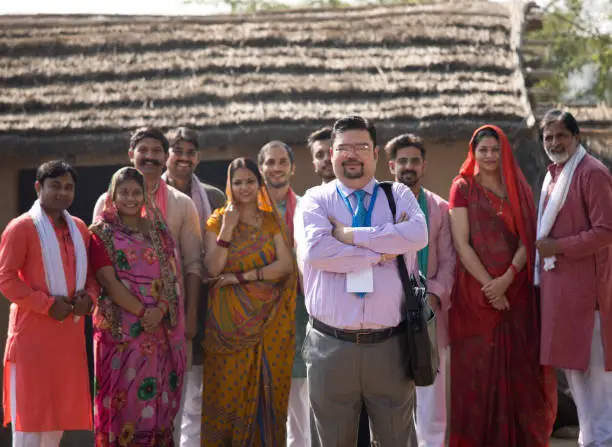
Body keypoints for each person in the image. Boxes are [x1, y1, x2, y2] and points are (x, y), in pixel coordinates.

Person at [298, 115, 428, 446]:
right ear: (331, 154)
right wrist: (382, 251)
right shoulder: (315, 199)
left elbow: (417, 234)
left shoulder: (397, 194)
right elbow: (317, 251)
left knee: (396, 439)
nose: (352, 154)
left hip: (390, 347)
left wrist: (349, 235)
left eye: (361, 147)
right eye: (344, 148)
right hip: (331, 347)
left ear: (375, 153)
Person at [448, 125, 556, 446]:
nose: (490, 155)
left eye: (495, 149)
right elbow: (461, 244)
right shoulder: (462, 187)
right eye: (483, 150)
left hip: (517, 293)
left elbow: (529, 237)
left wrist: (507, 279)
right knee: (477, 376)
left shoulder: (517, 187)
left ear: (503, 151)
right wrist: (490, 288)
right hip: (477, 299)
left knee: (522, 374)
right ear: (473, 152)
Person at [201, 157, 297, 445]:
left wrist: (240, 278)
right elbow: (213, 268)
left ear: (259, 184)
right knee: (225, 396)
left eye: (250, 181)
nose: (244, 187)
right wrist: (228, 229)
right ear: (229, 185)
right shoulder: (217, 220)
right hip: (227, 327)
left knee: (267, 401)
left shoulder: (270, 222)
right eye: (237, 181)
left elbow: (285, 266)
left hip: (270, 324)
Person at [0, 160, 97, 447]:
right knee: (29, 426)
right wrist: (45, 304)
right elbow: (5, 279)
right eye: (55, 185)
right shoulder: (21, 228)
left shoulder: (79, 229)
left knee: (56, 425)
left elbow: (91, 276)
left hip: (68, 341)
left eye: (68, 187)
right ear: (38, 187)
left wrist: (88, 300)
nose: (62, 192)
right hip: (33, 340)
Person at [89, 167, 186, 445]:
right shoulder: (101, 233)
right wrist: (145, 313)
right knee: (126, 405)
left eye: (136, 192)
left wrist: (162, 310)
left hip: (157, 334)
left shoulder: (159, 232)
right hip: (121, 336)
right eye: (124, 192)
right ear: (113, 195)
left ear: (145, 195)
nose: (130, 198)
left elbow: (172, 276)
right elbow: (108, 281)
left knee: (157, 405)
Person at [92, 127, 202, 364]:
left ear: (165, 158)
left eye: (156, 151)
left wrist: (190, 314)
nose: (150, 156)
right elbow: (99, 263)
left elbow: (192, 264)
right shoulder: (107, 203)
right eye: (143, 150)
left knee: (169, 391)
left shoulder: (182, 204)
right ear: (131, 154)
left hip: (168, 314)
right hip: (120, 317)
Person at [536, 109, 612, 446]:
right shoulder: (553, 177)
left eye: (560, 136)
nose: (554, 142)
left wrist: (557, 247)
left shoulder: (592, 173)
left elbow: (605, 231)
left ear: (576, 137)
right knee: (576, 376)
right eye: (548, 137)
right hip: (562, 296)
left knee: (598, 380)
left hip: (590, 296)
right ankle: (590, 439)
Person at [385, 133, 455, 447]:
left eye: (415, 160)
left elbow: (449, 260)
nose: (408, 166)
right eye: (402, 161)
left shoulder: (439, 208)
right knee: (390, 395)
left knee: (432, 399)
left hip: (428, 314)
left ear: (424, 165)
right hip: (385, 313)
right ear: (391, 166)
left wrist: (432, 293)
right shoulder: (378, 205)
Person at [162, 127, 225, 447]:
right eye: (178, 151)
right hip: (157, 301)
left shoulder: (214, 198)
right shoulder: (146, 192)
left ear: (198, 157)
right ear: (165, 155)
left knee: (197, 390)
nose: (184, 158)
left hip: (205, 302)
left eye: (190, 152)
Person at [257, 141, 309, 446]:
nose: (276, 168)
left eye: (282, 162)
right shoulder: (249, 211)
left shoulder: (305, 208)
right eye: (269, 162)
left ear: (292, 167)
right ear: (261, 167)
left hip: (298, 309)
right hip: (256, 310)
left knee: (299, 393)